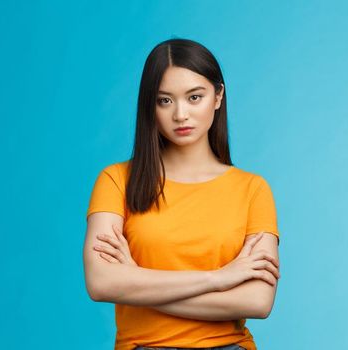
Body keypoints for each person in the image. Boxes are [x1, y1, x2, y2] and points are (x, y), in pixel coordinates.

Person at [83, 38, 281, 350]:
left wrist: (137, 282)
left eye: (194, 97)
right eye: (165, 101)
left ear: (218, 97)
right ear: (150, 105)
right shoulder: (117, 180)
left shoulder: (253, 189)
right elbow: (101, 283)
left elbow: (257, 301)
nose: (180, 115)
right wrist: (218, 278)